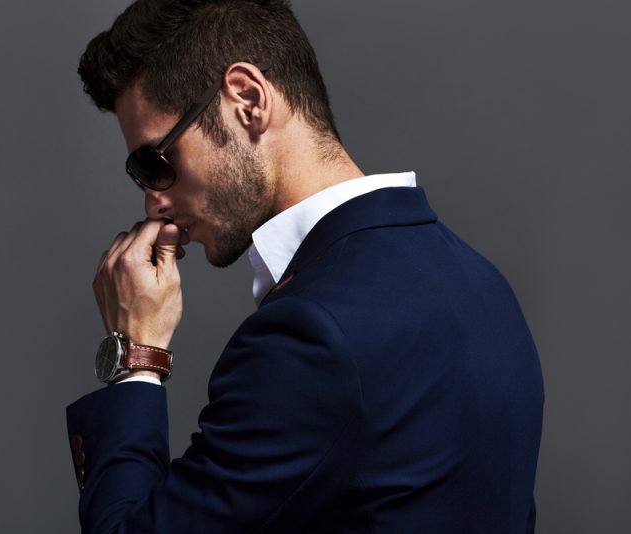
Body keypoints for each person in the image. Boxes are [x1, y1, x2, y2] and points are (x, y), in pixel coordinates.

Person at [66, 0, 544, 532]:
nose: (153, 203)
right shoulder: (484, 286)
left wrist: (135, 358)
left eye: (156, 163)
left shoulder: (312, 335)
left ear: (248, 100)